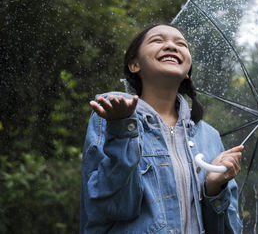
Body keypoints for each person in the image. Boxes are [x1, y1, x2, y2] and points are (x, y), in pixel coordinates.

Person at [80, 23, 243, 233]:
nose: (171, 46)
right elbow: (110, 207)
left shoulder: (209, 136)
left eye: (181, 44)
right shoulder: (110, 116)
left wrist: (214, 189)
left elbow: (229, 230)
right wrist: (122, 131)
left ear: (187, 73)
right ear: (134, 64)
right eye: (157, 40)